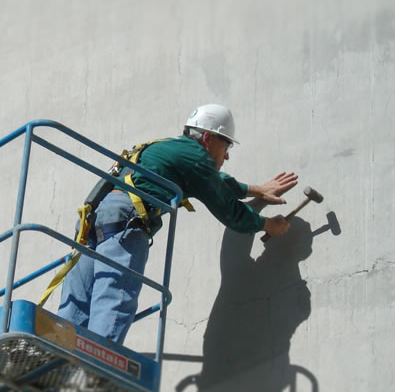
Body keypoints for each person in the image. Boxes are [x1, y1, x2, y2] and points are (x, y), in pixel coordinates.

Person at [57, 104, 297, 344]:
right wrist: (266, 225)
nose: (227, 155)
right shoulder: (196, 159)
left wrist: (255, 190)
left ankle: (52, 357)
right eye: (226, 144)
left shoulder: (171, 149)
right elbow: (229, 211)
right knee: (113, 299)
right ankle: (98, 368)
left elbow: (216, 181)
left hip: (91, 223)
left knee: (76, 304)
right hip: (125, 224)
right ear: (207, 138)